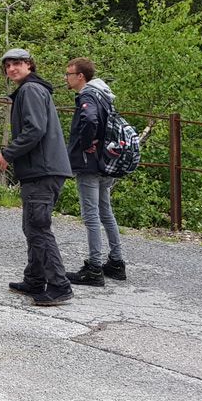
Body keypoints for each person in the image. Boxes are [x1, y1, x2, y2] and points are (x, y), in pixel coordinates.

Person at [0, 48, 74, 306]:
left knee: (38, 228)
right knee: (32, 226)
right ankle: (35, 279)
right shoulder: (34, 89)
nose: (12, 69)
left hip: (42, 169)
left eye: (18, 63)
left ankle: (59, 286)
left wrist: (8, 153)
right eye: (8, 65)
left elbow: (34, 130)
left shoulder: (30, 90)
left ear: (29, 65)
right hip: (44, 168)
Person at [64, 57, 127, 284]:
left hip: (90, 163)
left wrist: (84, 143)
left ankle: (94, 268)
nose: (66, 78)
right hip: (106, 161)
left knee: (91, 215)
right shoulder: (104, 93)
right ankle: (117, 262)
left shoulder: (88, 95)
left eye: (69, 74)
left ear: (80, 76)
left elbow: (90, 119)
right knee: (105, 211)